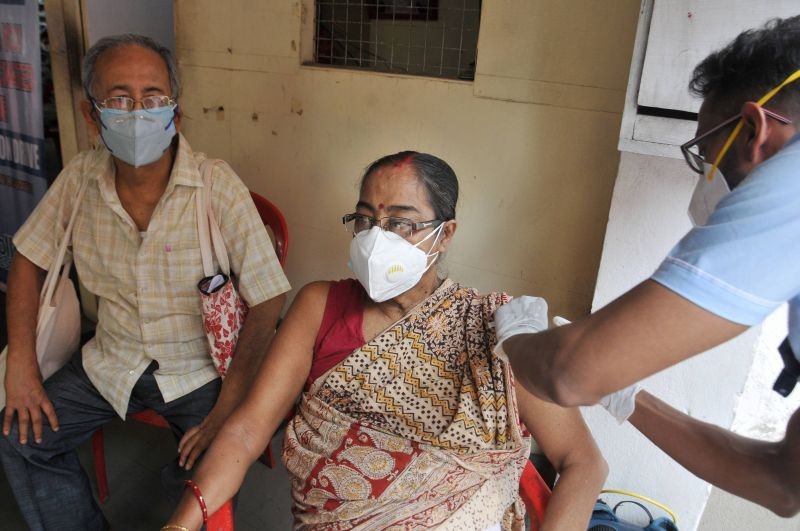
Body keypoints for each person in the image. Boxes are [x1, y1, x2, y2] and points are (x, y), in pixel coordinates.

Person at [163, 152, 607, 530]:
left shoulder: (494, 327)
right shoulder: (319, 306)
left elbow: (583, 462)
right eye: (365, 219)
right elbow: (246, 431)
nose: (377, 237)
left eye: (400, 222)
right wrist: (179, 525)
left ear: (445, 234)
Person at [495, 16, 800, 516]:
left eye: (706, 153)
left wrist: (516, 340)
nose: (704, 178)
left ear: (754, 128)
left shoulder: (791, 187)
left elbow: (568, 375)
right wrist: (626, 395)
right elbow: (783, 485)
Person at [0, 34, 290, 530]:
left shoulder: (215, 185)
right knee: (20, 436)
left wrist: (228, 406)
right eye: (119, 100)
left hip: (198, 374)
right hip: (109, 362)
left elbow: (268, 298)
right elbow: (29, 258)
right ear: (92, 115)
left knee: (214, 466)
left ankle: (180, 484)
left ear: (175, 112)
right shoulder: (79, 180)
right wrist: (21, 365)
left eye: (154, 98)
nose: (138, 113)